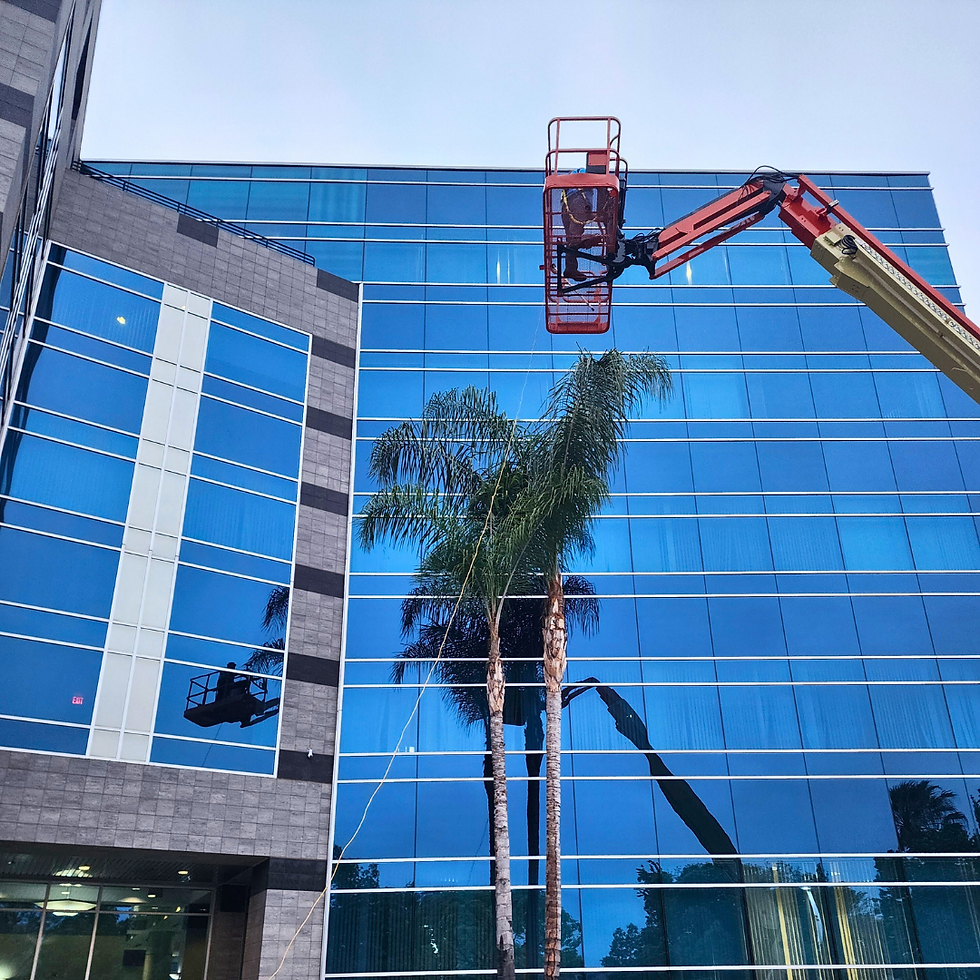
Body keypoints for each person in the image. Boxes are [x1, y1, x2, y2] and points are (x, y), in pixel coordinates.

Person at [559, 184, 617, 282]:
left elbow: (586, 215)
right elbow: (582, 213)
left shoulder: (570, 190)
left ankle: (571, 268)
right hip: (579, 201)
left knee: (572, 238)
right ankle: (570, 268)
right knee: (574, 237)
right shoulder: (583, 183)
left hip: (569, 205)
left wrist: (589, 240)